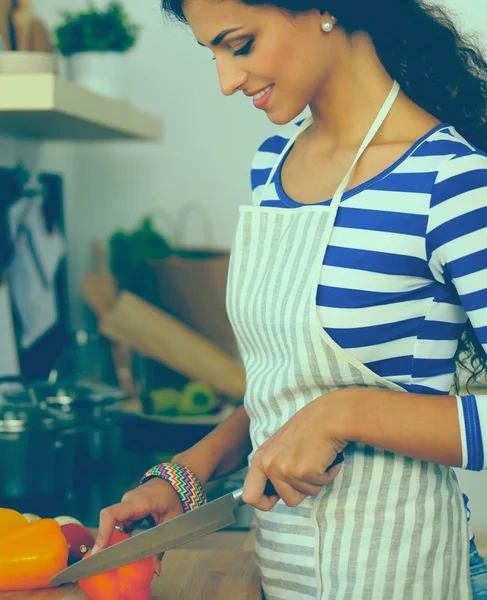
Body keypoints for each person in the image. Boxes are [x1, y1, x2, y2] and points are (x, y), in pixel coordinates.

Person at [94, 0, 487, 597]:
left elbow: (326, 403)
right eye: (213, 54)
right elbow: (290, 383)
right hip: (285, 573)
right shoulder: (271, 168)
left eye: (240, 44)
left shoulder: (451, 181)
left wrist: (344, 413)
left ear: (325, 9)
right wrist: (190, 473)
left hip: (406, 570)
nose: (226, 82)